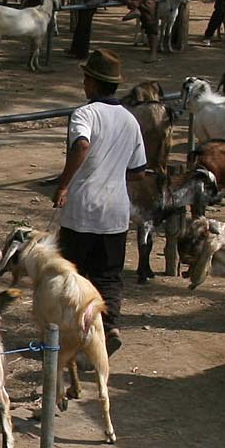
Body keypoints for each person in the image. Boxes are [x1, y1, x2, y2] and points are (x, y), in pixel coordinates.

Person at [53, 49, 150, 353]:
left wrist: (64, 183)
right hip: (115, 212)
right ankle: (109, 328)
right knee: (108, 276)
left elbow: (81, 145)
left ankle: (72, 333)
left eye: (85, 79)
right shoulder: (130, 120)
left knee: (72, 273)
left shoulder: (85, 114)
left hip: (82, 209)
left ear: (92, 82)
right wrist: (112, 172)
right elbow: (138, 172)